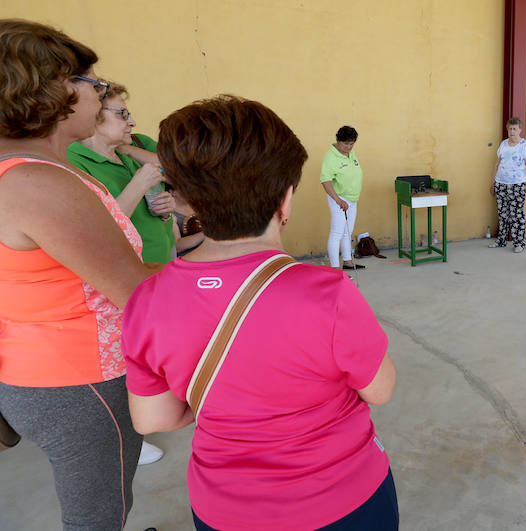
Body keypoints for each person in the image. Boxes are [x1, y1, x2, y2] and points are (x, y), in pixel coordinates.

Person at [123, 96, 399, 531]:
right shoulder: (327, 293)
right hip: (345, 499)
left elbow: (153, 418)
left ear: (183, 200)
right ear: (285, 202)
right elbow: (379, 390)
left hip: (225, 509)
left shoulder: (146, 300)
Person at [0, 19, 159, 529]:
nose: (102, 92)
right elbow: (135, 288)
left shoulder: (29, 170)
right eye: (94, 82)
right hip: (80, 379)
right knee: (99, 513)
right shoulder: (38, 183)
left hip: (41, 369)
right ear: (52, 88)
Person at [68, 82, 176, 264]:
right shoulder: (72, 161)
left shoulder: (127, 154)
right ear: (94, 114)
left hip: (162, 265)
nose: (132, 122)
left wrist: (165, 211)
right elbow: (101, 232)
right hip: (127, 276)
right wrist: (138, 185)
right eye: (122, 114)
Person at [489, 117, 526, 253]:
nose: (512, 131)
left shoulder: (524, 145)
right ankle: (501, 240)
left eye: (515, 129)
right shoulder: (503, 144)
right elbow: (497, 165)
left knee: (517, 215)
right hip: (501, 184)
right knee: (502, 214)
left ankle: (519, 243)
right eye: (510, 128)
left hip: (517, 185)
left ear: (520, 130)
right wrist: (493, 183)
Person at [321, 125, 365, 270]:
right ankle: (334, 269)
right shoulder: (330, 157)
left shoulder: (351, 154)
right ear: (338, 141)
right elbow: (325, 181)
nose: (349, 147)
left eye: (352, 143)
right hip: (339, 199)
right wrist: (338, 200)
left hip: (353, 199)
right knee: (337, 233)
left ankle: (348, 262)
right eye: (346, 143)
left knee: (347, 232)